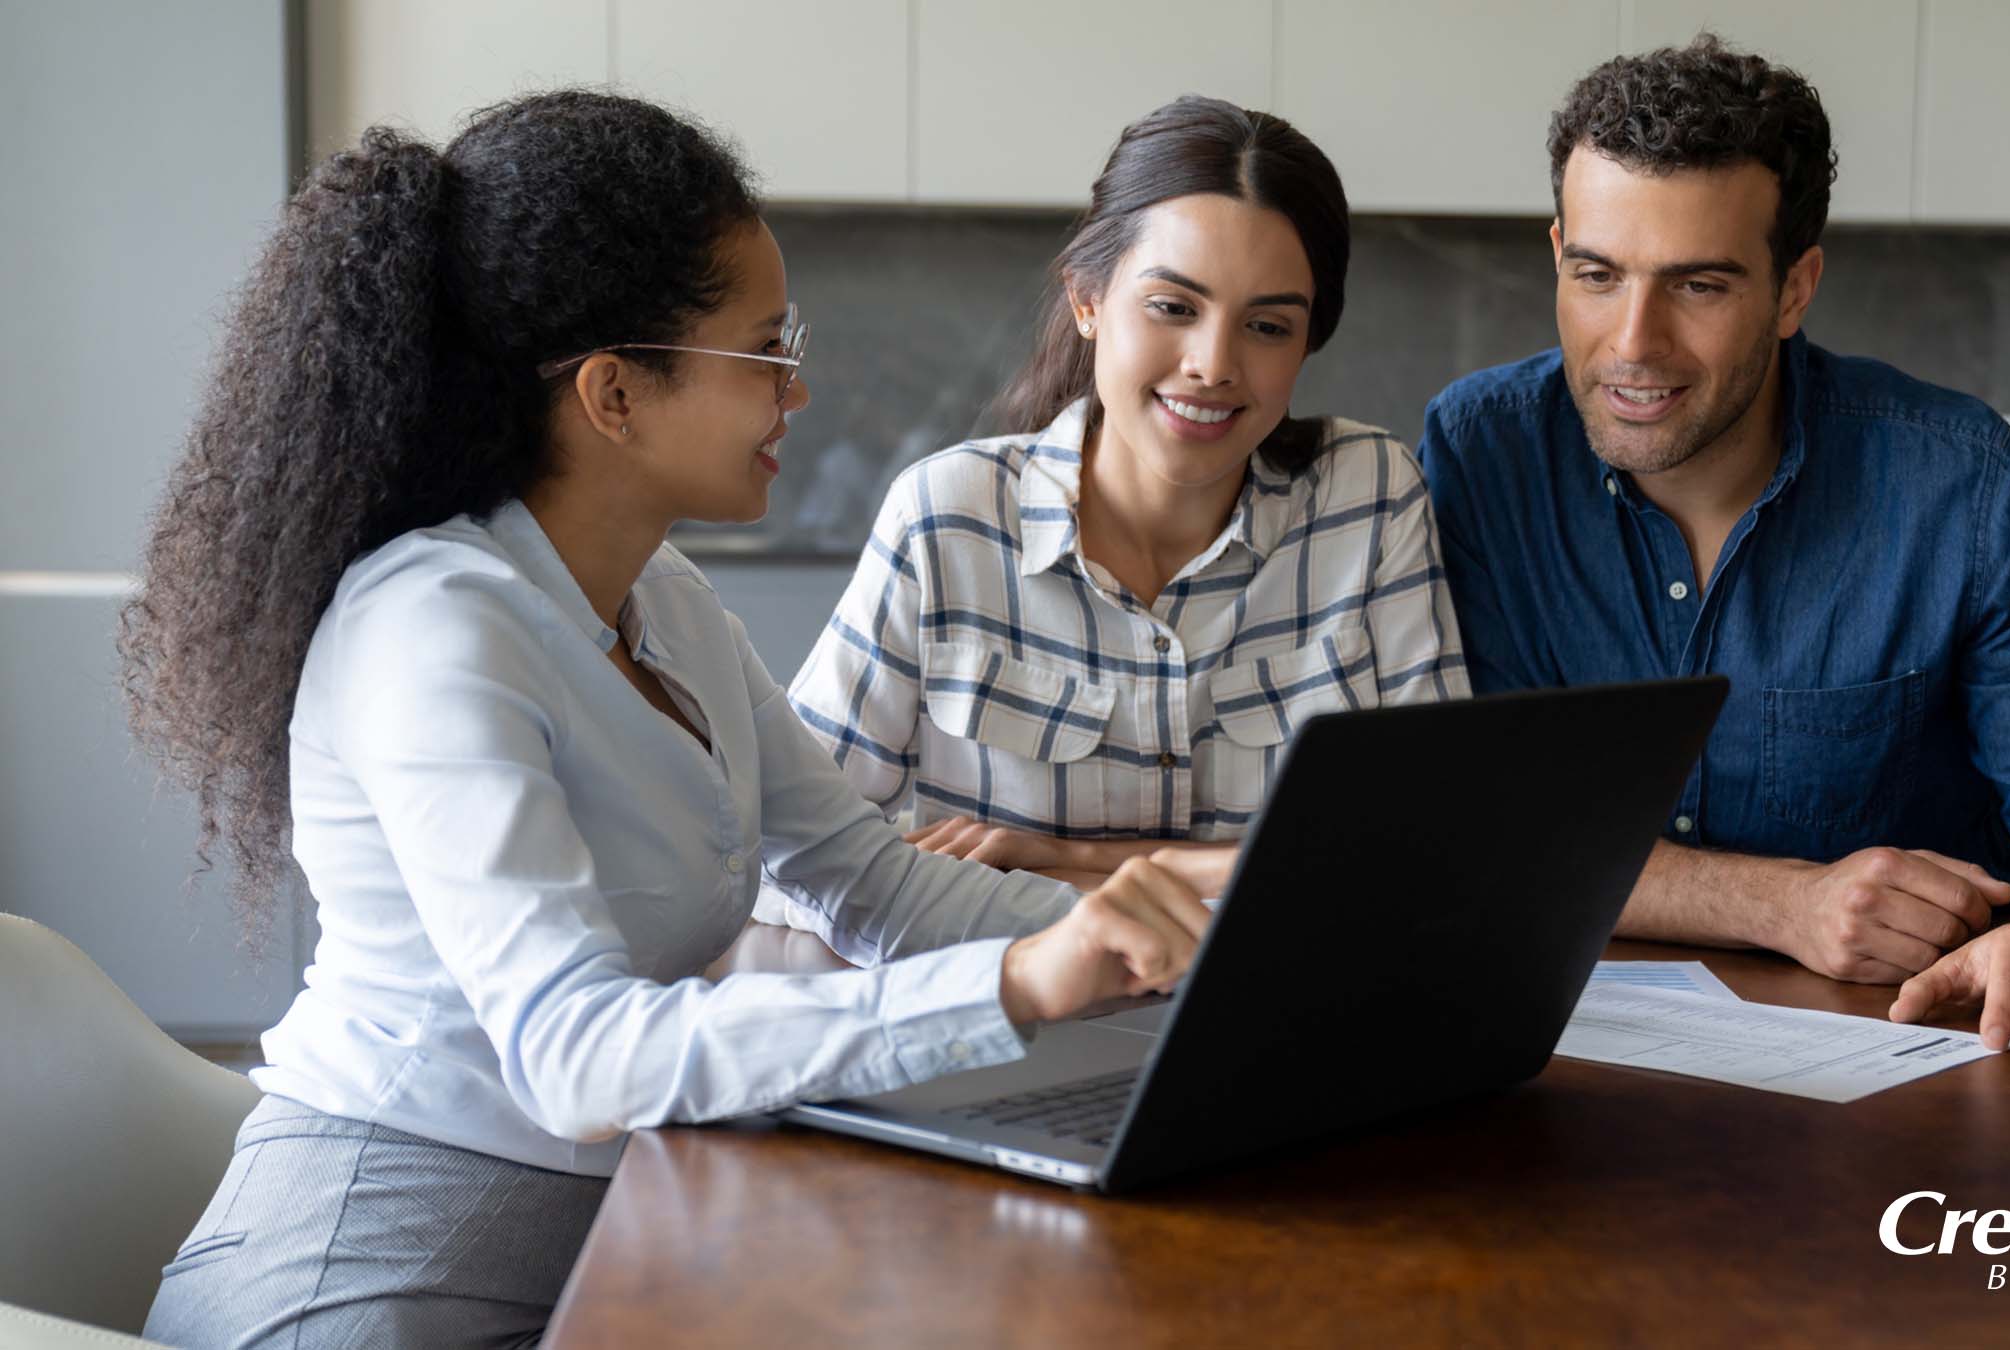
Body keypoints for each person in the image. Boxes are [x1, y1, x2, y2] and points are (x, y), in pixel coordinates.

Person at [120, 92, 1210, 1347]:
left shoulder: (663, 604)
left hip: (595, 1255)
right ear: (614, 394)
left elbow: (871, 883)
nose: (798, 391)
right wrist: (1019, 983)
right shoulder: (434, 628)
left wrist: (1176, 956)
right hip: (361, 1283)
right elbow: (578, 1060)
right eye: (767, 349)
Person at [1417, 37, 2010, 1060]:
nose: (1633, 343)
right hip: (1559, 1073)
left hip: (1909, 1078)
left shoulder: (1973, 493)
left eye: (1699, 285)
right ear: (1559, 251)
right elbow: (1482, 827)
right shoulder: (1482, 455)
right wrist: (1780, 903)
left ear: (1795, 289)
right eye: (1597, 275)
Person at [761, 95, 1467, 920]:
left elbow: (1442, 845)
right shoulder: (947, 516)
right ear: (1088, 300)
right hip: (1014, 1019)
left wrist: (1073, 862)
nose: (1213, 364)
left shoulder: (1370, 499)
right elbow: (785, 854)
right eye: (1172, 308)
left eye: (1268, 326)